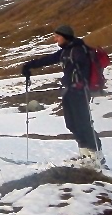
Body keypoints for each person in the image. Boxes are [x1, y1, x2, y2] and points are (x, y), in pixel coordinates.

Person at [21, 25, 105, 167]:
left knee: (83, 123)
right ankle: (85, 154)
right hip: (69, 91)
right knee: (71, 124)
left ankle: (97, 155)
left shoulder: (78, 50)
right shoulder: (66, 51)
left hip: (80, 92)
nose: (55, 39)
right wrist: (28, 65)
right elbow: (47, 60)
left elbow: (83, 68)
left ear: (65, 36)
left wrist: (79, 82)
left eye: (57, 36)